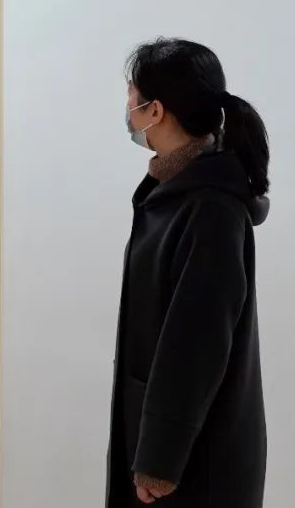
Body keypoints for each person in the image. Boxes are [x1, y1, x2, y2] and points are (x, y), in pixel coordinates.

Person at [107, 38, 268, 508]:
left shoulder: (210, 208)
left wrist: (159, 462)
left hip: (194, 461)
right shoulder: (175, 193)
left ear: (155, 111)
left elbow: (196, 345)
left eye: (132, 99)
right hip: (174, 445)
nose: (128, 111)